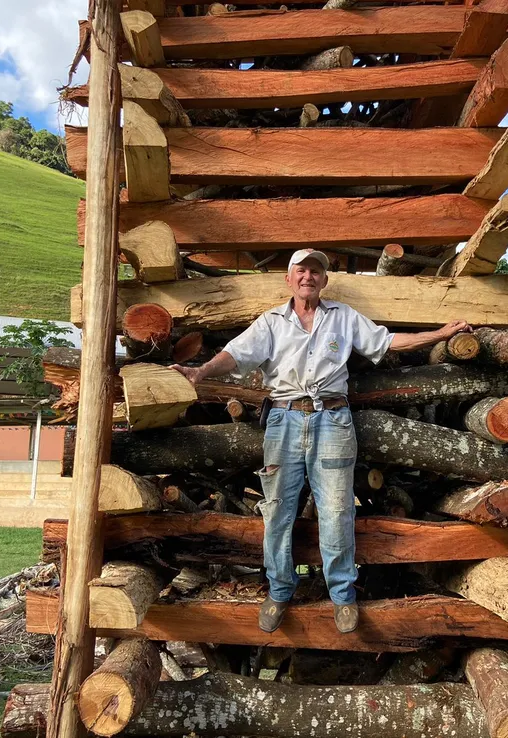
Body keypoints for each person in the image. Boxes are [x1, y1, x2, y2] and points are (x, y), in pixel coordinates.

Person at [170, 248, 470, 634]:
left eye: (316, 271)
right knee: (278, 510)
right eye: (301, 270)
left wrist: (441, 334)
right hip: (283, 420)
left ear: (324, 280)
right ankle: (279, 591)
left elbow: (386, 341)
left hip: (333, 419)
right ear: (289, 278)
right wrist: (202, 371)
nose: (308, 276)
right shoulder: (272, 322)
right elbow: (235, 354)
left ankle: (342, 596)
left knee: (336, 509)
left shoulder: (342, 317)